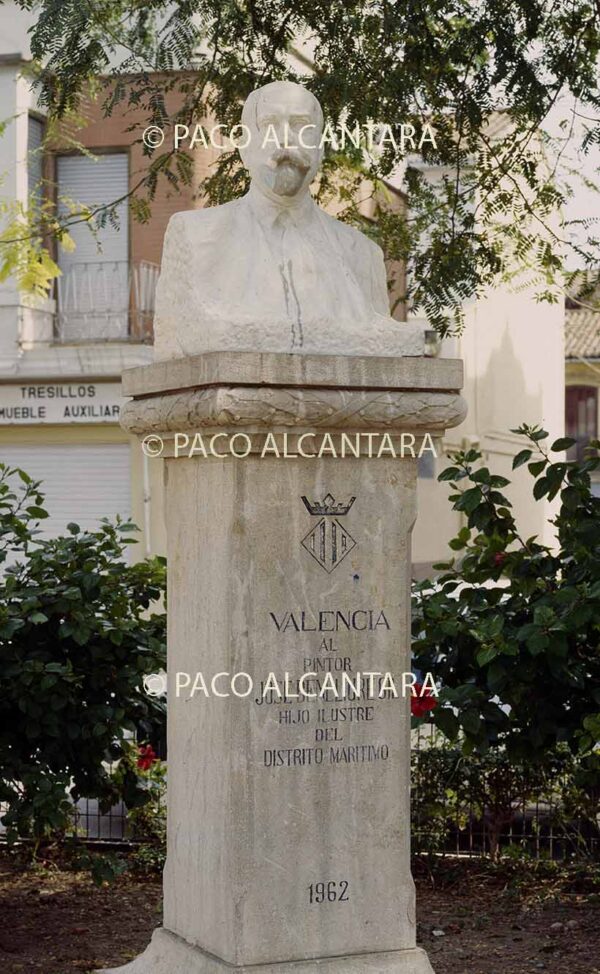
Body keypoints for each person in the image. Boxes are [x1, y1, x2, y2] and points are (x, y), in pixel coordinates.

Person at [153, 80, 423, 359]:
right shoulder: (196, 237)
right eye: (269, 124)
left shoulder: (362, 255)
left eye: (300, 125)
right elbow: (191, 336)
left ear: (319, 148)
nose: (285, 139)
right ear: (244, 149)